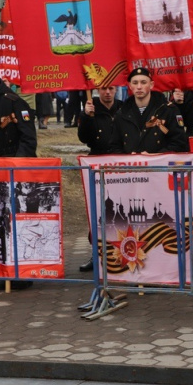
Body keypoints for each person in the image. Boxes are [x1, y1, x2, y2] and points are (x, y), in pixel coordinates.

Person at [77, 80, 123, 272]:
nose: (107, 92)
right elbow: (84, 137)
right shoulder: (91, 107)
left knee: (120, 211)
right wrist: (86, 117)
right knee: (96, 210)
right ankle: (96, 254)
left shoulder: (123, 108)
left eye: (111, 88)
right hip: (97, 159)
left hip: (120, 162)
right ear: (97, 90)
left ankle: (119, 250)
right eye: (104, 88)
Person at [115, 67, 188, 153]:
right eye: (135, 83)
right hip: (131, 165)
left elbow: (179, 144)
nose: (139, 87)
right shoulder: (122, 113)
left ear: (151, 85)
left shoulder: (168, 110)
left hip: (159, 165)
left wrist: (155, 157)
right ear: (130, 86)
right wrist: (128, 158)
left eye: (143, 82)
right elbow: (114, 147)